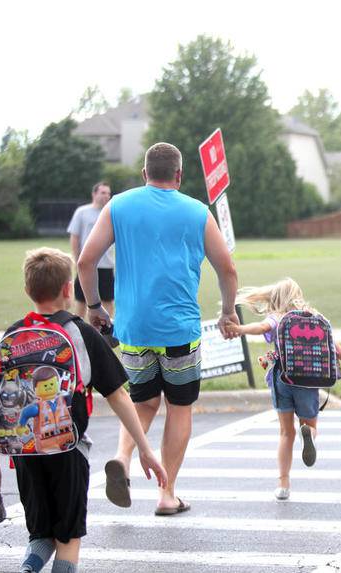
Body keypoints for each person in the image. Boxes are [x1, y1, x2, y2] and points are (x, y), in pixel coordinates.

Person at [0, 247, 166, 573]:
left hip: (23, 452)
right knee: (68, 537)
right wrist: (145, 449)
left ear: (27, 290)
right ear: (68, 289)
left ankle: (27, 569)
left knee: (41, 534)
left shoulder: (12, 335)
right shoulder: (81, 332)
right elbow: (119, 396)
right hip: (68, 449)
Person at [77, 142, 239, 516]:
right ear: (179, 175)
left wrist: (95, 307)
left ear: (144, 173)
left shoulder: (118, 205)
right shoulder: (197, 211)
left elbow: (86, 260)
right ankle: (167, 494)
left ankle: (121, 455)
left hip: (133, 330)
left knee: (143, 401)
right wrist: (228, 311)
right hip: (180, 332)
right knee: (179, 407)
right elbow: (227, 269)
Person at [226, 278, 341, 501]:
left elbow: (261, 328)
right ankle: (310, 436)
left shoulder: (277, 318)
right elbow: (336, 349)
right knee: (309, 425)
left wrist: (239, 329)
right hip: (308, 381)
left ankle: (283, 484)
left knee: (286, 433)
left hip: (282, 379)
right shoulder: (314, 318)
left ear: (275, 298)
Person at [67, 182, 114, 320]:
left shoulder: (111, 212)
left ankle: (106, 335)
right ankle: (80, 333)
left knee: (108, 301)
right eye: (103, 192)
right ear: (94, 194)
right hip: (87, 264)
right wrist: (77, 260)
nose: (106, 196)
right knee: (82, 301)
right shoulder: (82, 212)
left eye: (108, 193)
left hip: (106, 265)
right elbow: (75, 237)